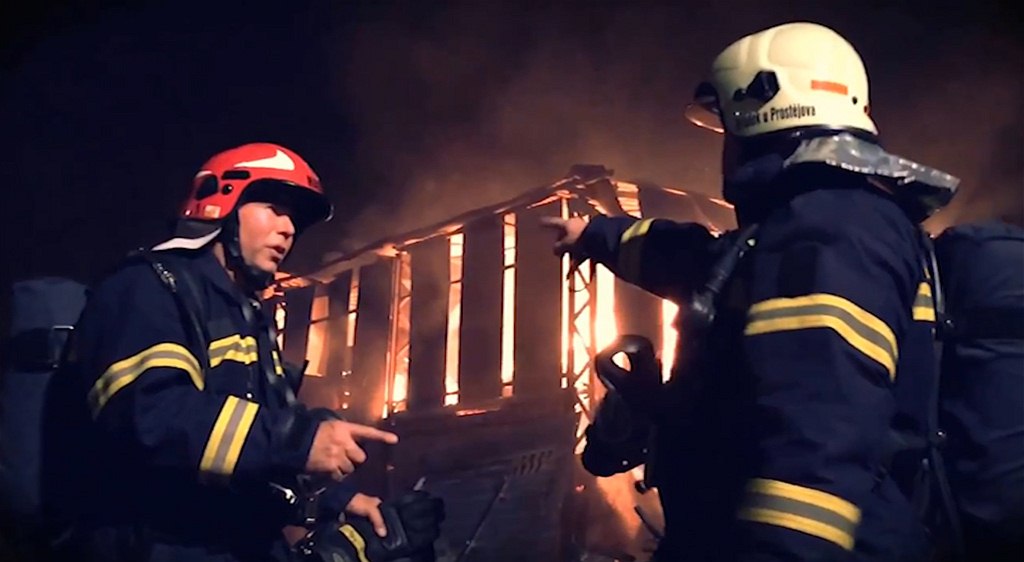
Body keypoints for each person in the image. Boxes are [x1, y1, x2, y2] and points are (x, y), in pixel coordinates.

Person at [545, 22, 958, 561]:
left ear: (762, 116)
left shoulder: (830, 232)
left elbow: (818, 428)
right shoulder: (808, 226)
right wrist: (596, 235)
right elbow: (704, 262)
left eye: (728, 130)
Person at [43, 143, 406, 561]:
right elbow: (152, 415)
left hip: (231, 543)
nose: (288, 228)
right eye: (274, 208)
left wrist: (339, 500)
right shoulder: (148, 287)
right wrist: (297, 440)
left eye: (293, 219)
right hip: (155, 544)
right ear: (221, 204)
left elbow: (256, 451)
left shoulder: (245, 315)